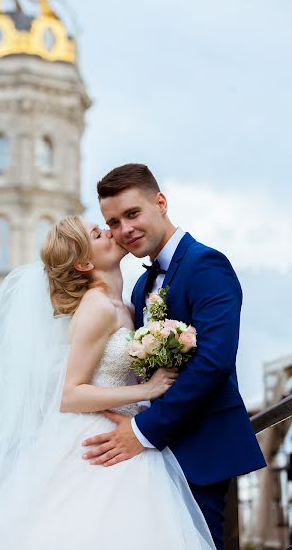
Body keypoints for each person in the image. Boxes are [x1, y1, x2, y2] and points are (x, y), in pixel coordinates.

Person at [0, 214, 216, 550]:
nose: (109, 232)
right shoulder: (98, 307)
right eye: (97, 233)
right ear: (85, 262)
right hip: (95, 442)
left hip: (126, 435)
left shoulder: (129, 306)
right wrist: (146, 390)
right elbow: (70, 394)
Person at [82, 163, 266, 550]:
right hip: (146, 461)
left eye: (132, 214)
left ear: (160, 203)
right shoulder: (140, 288)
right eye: (113, 222)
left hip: (198, 450)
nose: (124, 229)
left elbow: (212, 362)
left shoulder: (206, 265)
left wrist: (143, 431)